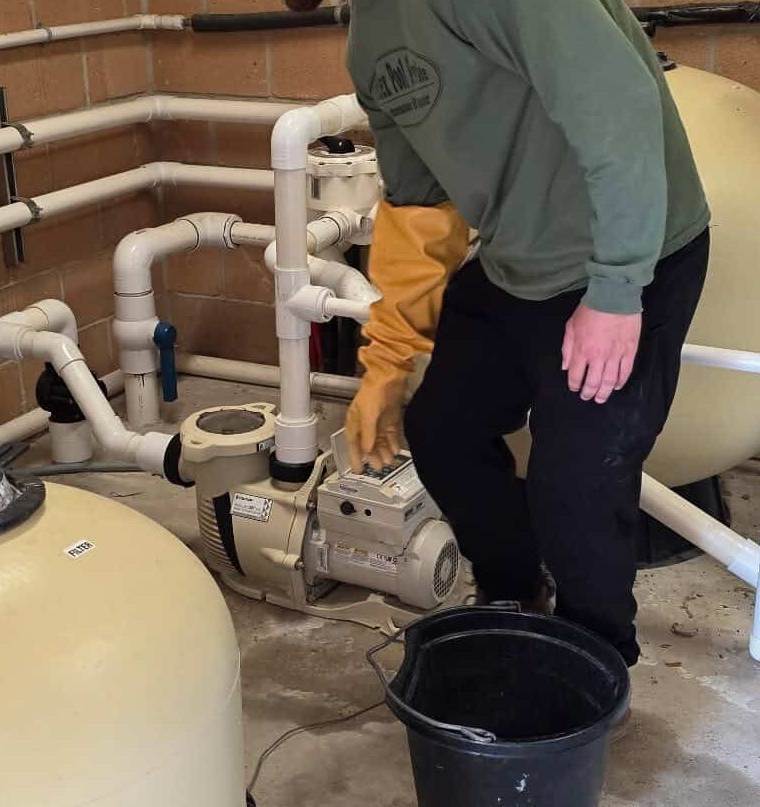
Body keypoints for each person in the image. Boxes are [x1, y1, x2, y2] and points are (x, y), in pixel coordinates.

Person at [286, 0, 710, 668]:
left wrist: (615, 290)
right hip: (518, 259)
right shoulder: (371, 36)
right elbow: (416, 207)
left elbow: (619, 101)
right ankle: (514, 593)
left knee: (575, 484)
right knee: (442, 429)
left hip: (629, 255)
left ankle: (593, 660)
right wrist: (388, 362)